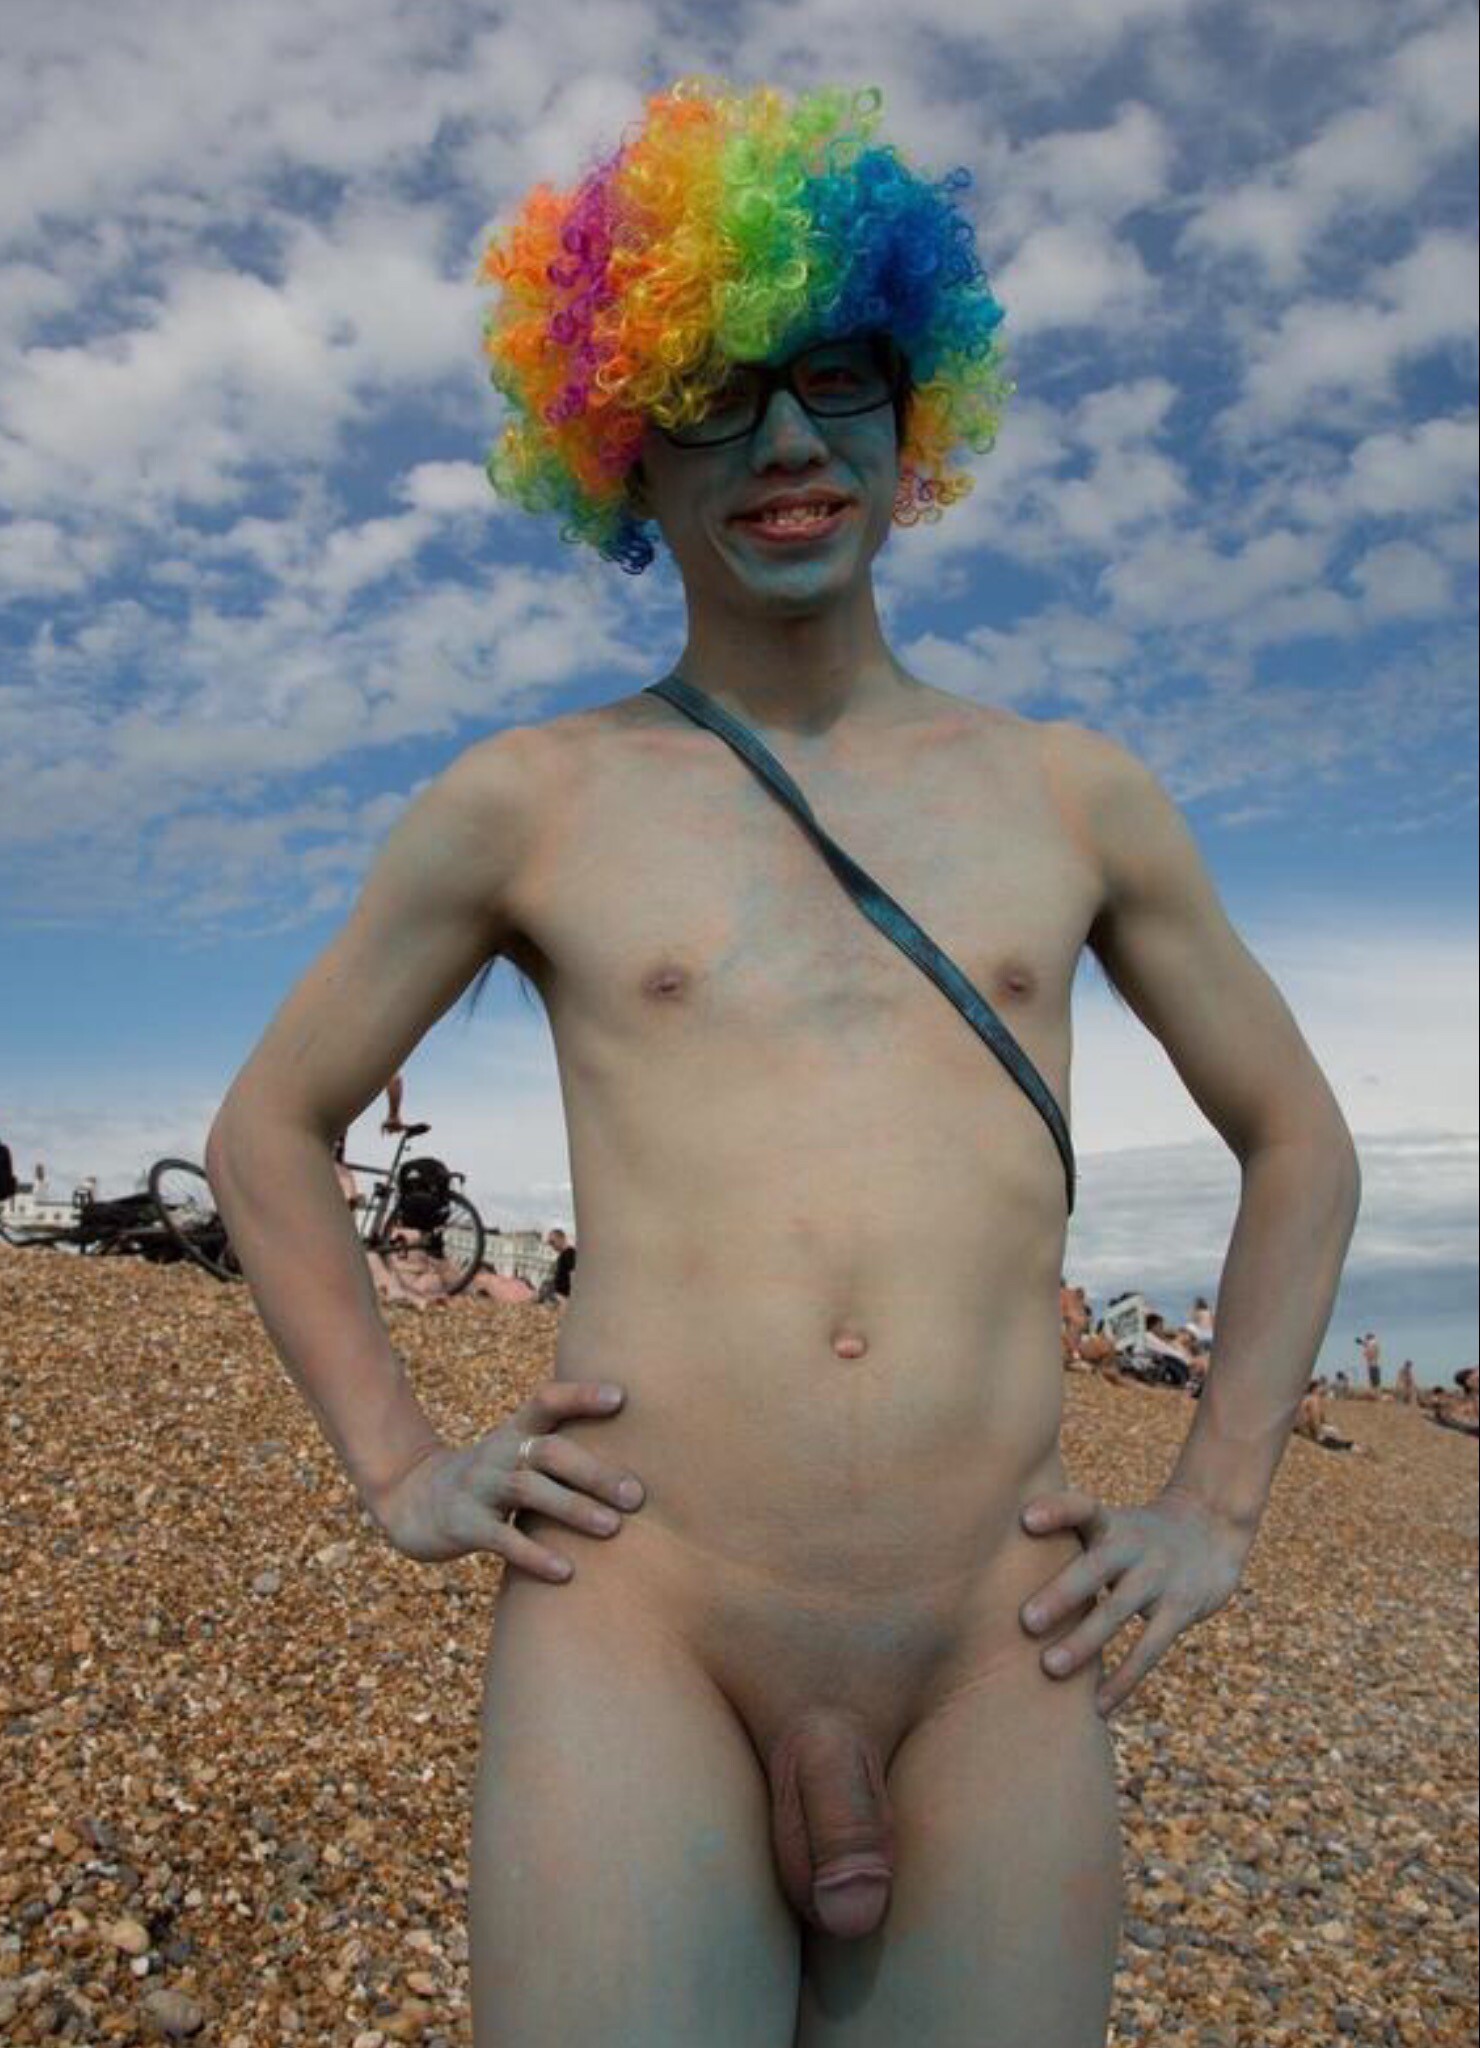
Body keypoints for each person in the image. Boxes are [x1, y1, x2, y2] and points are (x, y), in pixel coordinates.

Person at [203, 80, 1362, 2048]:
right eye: (714, 394)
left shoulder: (1073, 796)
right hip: (645, 1621)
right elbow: (269, 1129)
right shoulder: (530, 800)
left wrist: (1220, 1504)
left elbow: (1301, 1143)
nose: (790, 444)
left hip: (998, 1640)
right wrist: (397, 1463)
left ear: (914, 423)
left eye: (837, 381)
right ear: (622, 453)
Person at [1359, 1330, 1383, 1395]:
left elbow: (1369, 1348)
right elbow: (1365, 1344)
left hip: (1372, 1364)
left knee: (1373, 1380)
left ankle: (1375, 1393)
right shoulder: (1374, 1343)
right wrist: (1361, 1342)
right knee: (1376, 1380)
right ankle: (1377, 1393)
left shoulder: (1372, 1343)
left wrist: (1366, 1354)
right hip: (1375, 1364)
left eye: (1367, 1338)